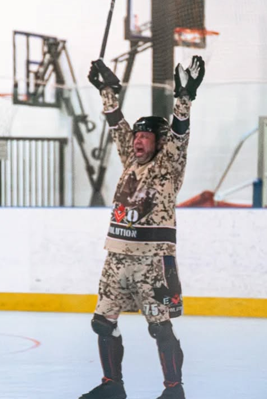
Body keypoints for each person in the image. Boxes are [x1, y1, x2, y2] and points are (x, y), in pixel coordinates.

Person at [80, 56, 205, 399]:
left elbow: (180, 136)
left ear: (159, 141)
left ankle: (173, 390)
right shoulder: (130, 159)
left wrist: (184, 99)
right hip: (116, 256)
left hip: (152, 262)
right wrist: (108, 91)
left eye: (145, 136)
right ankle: (112, 386)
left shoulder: (168, 167)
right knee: (102, 322)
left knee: (159, 328)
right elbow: (116, 126)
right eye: (137, 135)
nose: (137, 140)